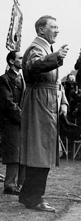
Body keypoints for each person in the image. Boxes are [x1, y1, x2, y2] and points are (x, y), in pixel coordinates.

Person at [19, 15, 68, 212]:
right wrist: (56, 56)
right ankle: (33, 197)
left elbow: (56, 82)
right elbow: (33, 67)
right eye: (53, 27)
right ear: (41, 30)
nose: (57, 30)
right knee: (39, 152)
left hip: (46, 102)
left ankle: (30, 195)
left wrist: (63, 101)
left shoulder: (44, 48)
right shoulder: (35, 48)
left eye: (58, 27)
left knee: (42, 151)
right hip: (39, 101)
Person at [0, 51, 26, 195]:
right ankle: (9, 185)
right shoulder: (4, 79)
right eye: (20, 58)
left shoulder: (23, 79)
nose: (23, 60)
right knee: (13, 154)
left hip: (22, 122)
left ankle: (21, 184)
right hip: (11, 122)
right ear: (11, 61)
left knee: (22, 153)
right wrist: (23, 117)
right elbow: (8, 103)